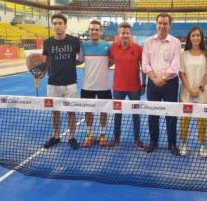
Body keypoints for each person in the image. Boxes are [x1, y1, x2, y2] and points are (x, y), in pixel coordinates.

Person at [142, 13, 181, 156]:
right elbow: (145, 63)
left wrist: (162, 78)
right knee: (153, 115)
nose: (162, 26)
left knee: (171, 115)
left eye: (165, 24)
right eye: (160, 23)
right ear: (156, 24)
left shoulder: (176, 42)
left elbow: (175, 65)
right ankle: (153, 141)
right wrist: (154, 78)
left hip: (170, 84)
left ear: (170, 25)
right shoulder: (148, 42)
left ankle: (172, 144)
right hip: (153, 84)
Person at [40, 14, 81, 150]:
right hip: (53, 83)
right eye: (55, 23)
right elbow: (47, 60)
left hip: (70, 83)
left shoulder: (74, 41)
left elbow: (80, 59)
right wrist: (43, 72)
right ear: (52, 26)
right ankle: (56, 136)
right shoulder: (47, 42)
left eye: (60, 23)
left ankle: (72, 137)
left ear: (65, 25)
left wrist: (70, 63)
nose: (57, 26)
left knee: (71, 111)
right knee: (55, 111)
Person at [107, 22, 146, 150]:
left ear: (130, 34)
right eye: (123, 33)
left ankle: (137, 138)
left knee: (136, 114)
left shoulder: (138, 48)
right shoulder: (112, 48)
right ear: (119, 34)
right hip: (118, 88)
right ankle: (116, 138)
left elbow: (143, 68)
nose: (125, 35)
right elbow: (110, 62)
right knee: (117, 114)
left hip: (134, 88)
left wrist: (143, 84)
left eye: (127, 33)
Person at [179, 27, 207, 157]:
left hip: (202, 94)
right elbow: (181, 73)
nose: (195, 38)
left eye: (198, 35)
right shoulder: (183, 54)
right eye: (193, 35)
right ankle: (184, 143)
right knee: (184, 120)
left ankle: (203, 145)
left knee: (202, 121)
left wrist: (198, 89)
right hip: (185, 93)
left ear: (201, 37)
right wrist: (190, 90)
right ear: (189, 38)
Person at [77, 20, 112, 147]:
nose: (94, 32)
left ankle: (102, 134)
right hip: (87, 86)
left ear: (100, 31)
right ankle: (90, 134)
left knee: (104, 111)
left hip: (104, 86)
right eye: (92, 29)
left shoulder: (108, 46)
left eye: (97, 30)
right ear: (89, 31)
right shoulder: (83, 46)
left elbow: (112, 62)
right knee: (88, 111)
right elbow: (79, 61)